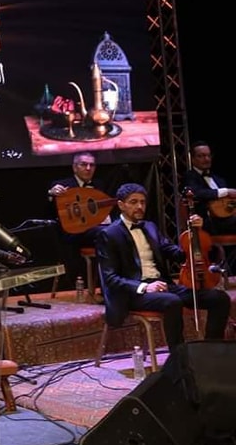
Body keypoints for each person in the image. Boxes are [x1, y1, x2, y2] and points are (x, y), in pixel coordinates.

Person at [96, 183, 231, 351]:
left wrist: (194, 233)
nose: (139, 206)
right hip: (134, 293)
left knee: (219, 298)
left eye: (143, 202)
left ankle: (212, 350)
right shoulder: (109, 234)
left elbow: (176, 254)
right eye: (133, 202)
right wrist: (145, 287)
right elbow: (110, 278)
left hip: (163, 286)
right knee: (172, 301)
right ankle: (179, 356)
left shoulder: (150, 227)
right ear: (121, 205)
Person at [47, 151, 113, 289]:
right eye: (84, 164)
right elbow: (49, 208)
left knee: (112, 232)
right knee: (107, 233)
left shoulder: (100, 185)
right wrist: (51, 194)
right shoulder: (62, 185)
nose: (88, 168)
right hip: (72, 233)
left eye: (92, 165)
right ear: (74, 167)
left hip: (95, 232)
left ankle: (110, 284)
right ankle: (108, 286)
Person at [181, 140, 236, 236]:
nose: (206, 159)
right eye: (201, 156)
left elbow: (227, 204)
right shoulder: (189, 177)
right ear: (192, 159)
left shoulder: (219, 179)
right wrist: (226, 191)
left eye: (208, 155)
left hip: (227, 219)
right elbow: (196, 193)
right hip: (205, 222)